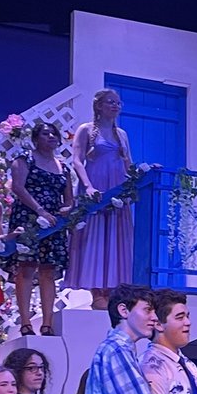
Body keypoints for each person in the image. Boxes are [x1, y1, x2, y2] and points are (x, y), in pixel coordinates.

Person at [3, 121, 73, 335]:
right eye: (45, 133)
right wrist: (40, 210)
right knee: (26, 268)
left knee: (48, 271)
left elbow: (69, 199)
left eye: (54, 133)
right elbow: (18, 187)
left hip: (54, 223)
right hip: (28, 218)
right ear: (35, 138)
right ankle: (25, 322)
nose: (51, 136)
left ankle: (47, 323)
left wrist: (67, 210)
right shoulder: (25, 159)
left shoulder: (63, 166)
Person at [66, 90, 132, 310]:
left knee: (116, 236)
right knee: (94, 236)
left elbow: (128, 163)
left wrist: (135, 183)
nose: (115, 106)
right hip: (95, 185)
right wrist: (88, 186)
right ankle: (96, 291)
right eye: (110, 102)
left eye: (117, 103)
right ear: (99, 106)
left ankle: (113, 291)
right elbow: (76, 160)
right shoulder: (85, 130)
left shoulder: (121, 134)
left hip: (117, 186)